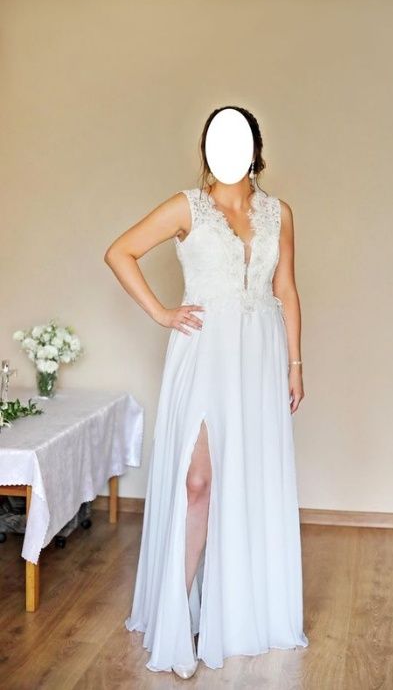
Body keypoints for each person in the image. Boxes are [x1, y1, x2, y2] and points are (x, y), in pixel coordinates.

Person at [104, 105, 309, 678]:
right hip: (203, 355)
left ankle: (237, 612)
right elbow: (119, 252)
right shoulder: (187, 207)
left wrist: (295, 363)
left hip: (259, 357)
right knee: (198, 482)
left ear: (254, 150)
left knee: (246, 478)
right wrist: (162, 313)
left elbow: (287, 289)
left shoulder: (278, 213)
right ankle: (177, 617)